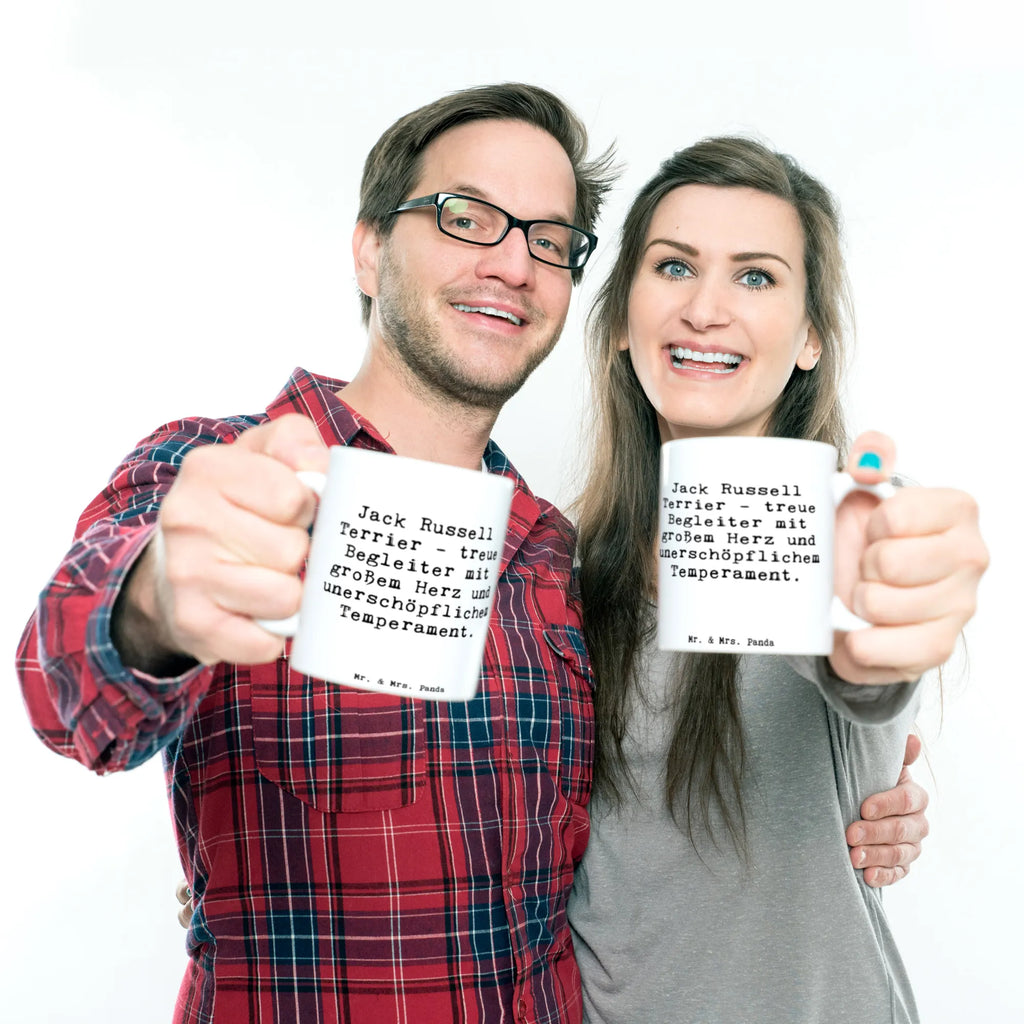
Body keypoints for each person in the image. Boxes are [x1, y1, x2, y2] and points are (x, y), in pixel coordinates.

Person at [17, 83, 942, 1024]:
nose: (511, 263)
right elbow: (66, 688)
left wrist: (877, 742)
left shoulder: (553, 560)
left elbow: (848, 665)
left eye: (548, 239)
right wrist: (156, 603)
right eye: (466, 217)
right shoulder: (221, 474)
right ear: (370, 248)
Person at [568, 136, 989, 1023]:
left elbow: (863, 666)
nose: (706, 309)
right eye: (674, 266)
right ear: (620, 321)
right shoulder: (564, 570)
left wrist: (881, 631)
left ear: (809, 339)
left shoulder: (849, 528)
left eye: (755, 277)